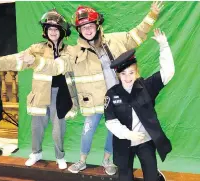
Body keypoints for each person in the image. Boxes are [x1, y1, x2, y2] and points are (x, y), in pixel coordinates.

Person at [56, 2, 164, 175]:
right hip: (93, 100)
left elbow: (137, 35)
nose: (88, 30)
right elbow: (58, 65)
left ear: (97, 26)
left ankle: (107, 160)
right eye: (83, 27)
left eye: (90, 25)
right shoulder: (74, 51)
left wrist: (152, 15)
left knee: (112, 132)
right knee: (88, 131)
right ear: (79, 30)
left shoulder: (115, 40)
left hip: (117, 99)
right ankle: (82, 160)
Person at [0, 9, 78, 169]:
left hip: (61, 96)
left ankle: (60, 156)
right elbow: (15, 60)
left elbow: (56, 67)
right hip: (40, 94)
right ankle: (36, 153)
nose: (53, 32)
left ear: (61, 31)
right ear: (45, 31)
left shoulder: (69, 51)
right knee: (36, 128)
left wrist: (35, 61)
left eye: (56, 29)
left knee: (58, 130)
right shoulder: (36, 49)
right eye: (50, 29)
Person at [104, 28, 174, 181]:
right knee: (124, 178)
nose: (127, 77)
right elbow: (110, 121)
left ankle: (155, 174)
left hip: (145, 140)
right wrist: (127, 134)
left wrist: (164, 46)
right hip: (123, 142)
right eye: (123, 74)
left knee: (151, 178)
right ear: (118, 75)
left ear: (136, 71)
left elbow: (167, 72)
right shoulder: (112, 94)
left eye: (131, 72)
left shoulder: (146, 86)